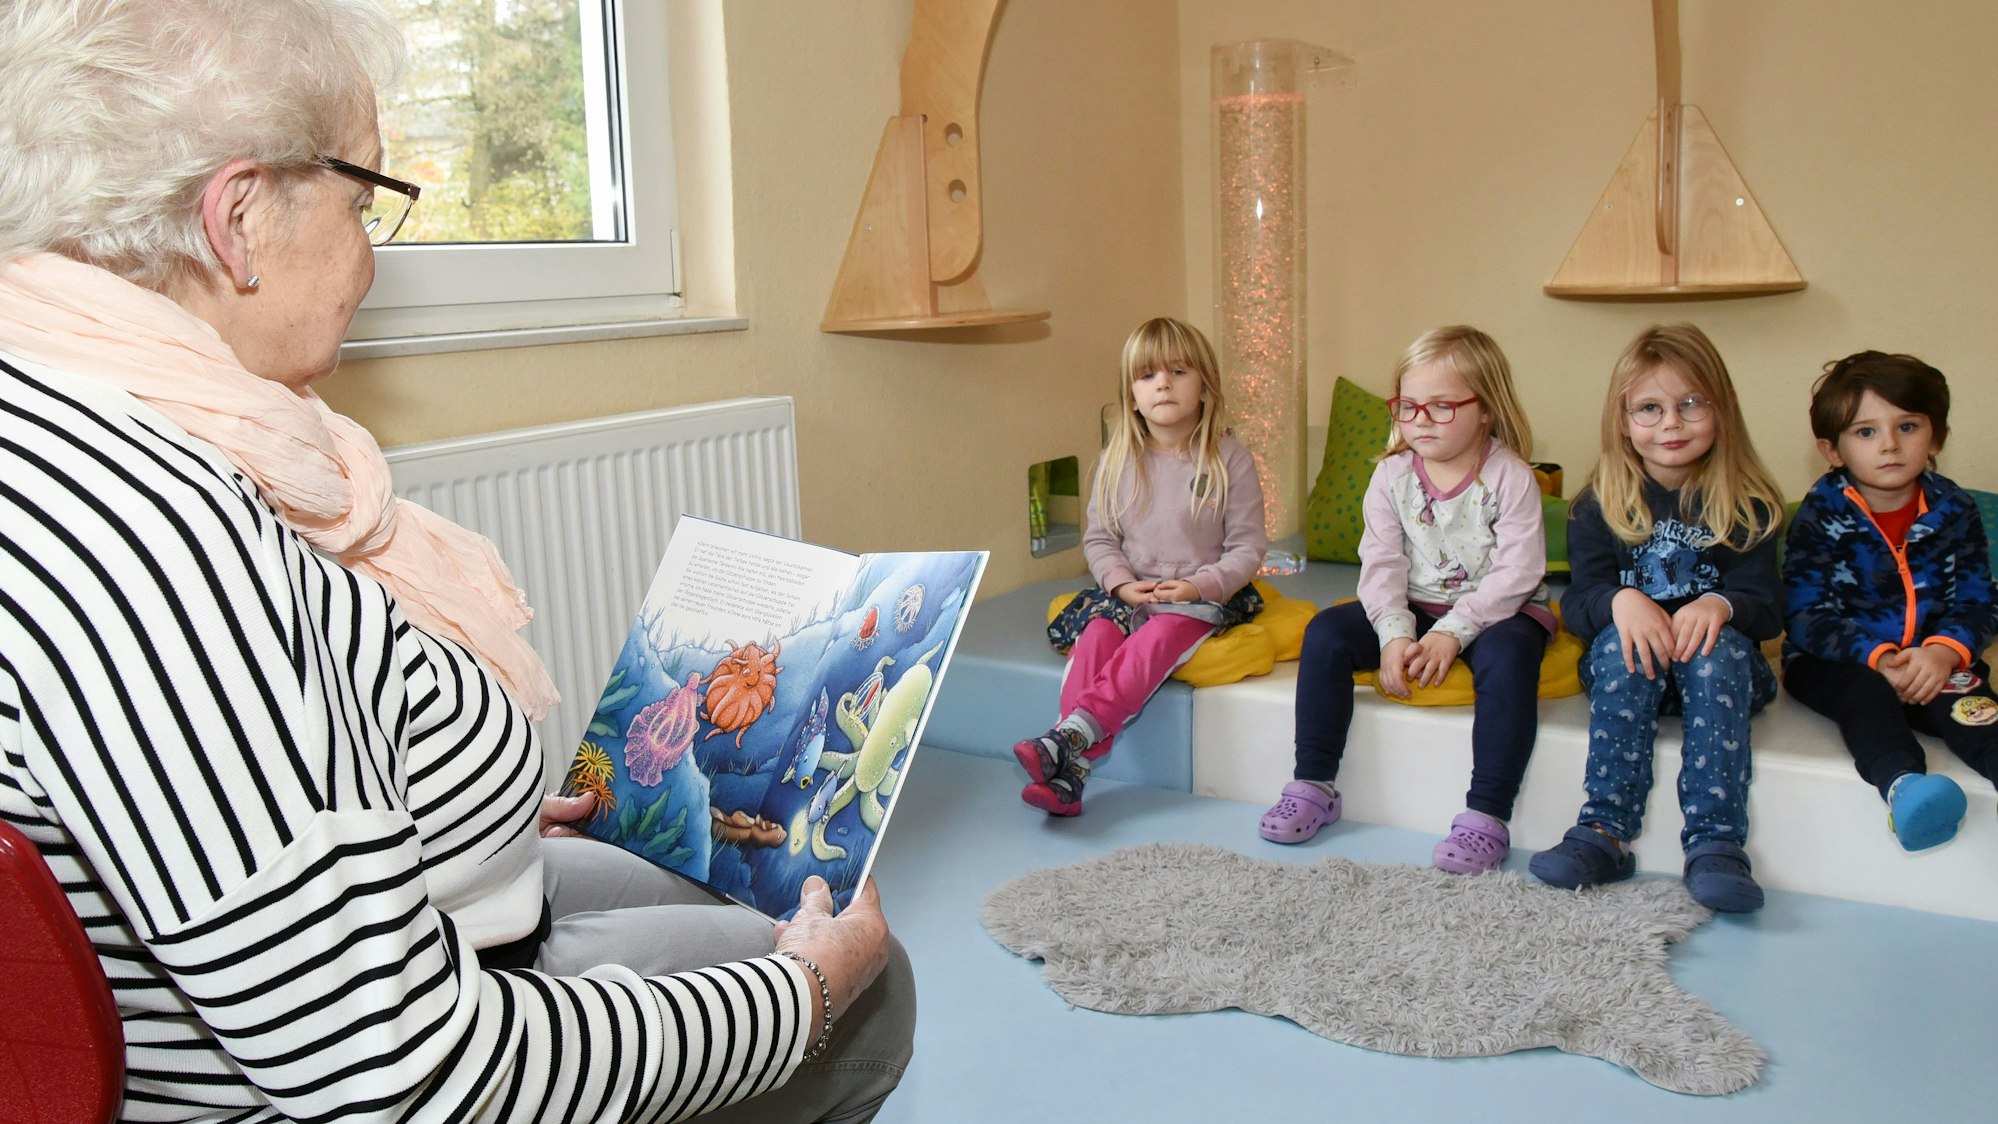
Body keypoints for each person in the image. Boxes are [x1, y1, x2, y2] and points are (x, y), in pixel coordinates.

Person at [0, 2, 909, 1120]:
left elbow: (258, 776)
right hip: (369, 1054)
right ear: (238, 218)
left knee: (702, 867)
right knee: (868, 989)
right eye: (362, 199)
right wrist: (799, 997)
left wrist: (449, 810)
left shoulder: (79, 408)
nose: (371, 255)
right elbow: (410, 1076)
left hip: (424, 907)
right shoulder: (150, 533)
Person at [1258, 327, 1552, 874]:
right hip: (1416, 603)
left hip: (1499, 610)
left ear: (1486, 409)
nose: (1420, 420)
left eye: (1442, 407)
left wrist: (1454, 631)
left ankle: (1487, 815)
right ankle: (1313, 782)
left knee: (1511, 658)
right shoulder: (1391, 475)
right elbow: (1382, 562)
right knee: (1325, 633)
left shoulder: (1509, 477)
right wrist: (1395, 633)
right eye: (1409, 406)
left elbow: (1519, 572)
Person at [1528, 324, 1785, 912]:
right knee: (1619, 646)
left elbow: (1770, 608)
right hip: (1633, 672)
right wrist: (1620, 600)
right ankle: (1603, 832)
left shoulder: (1750, 502)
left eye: (1691, 404)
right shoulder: (1599, 503)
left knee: (1716, 653)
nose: (1671, 423)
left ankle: (1715, 842)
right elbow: (1580, 600)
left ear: (1724, 409)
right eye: (1650, 408)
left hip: (1723, 676)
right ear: (1623, 421)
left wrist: (1720, 604)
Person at [1014, 317, 1267, 815]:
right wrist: (1122, 584)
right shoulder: (1116, 460)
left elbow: (1247, 547)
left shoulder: (1228, 460)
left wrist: (1197, 587)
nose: (1163, 384)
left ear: (1204, 387)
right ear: (1132, 396)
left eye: (1178, 371)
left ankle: (1069, 743)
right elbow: (1101, 539)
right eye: (1148, 375)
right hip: (1129, 594)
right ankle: (1071, 774)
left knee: (1154, 641)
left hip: (1197, 599)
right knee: (1096, 641)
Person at [1781, 351, 1998, 851]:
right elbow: (1804, 612)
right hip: (1836, 664)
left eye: (1907, 426)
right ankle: (1906, 789)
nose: (1890, 446)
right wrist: (1878, 657)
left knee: (1973, 706)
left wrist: (1943, 651)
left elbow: (1979, 599)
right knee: (1867, 698)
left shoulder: (1954, 508)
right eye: (1865, 432)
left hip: (1934, 660)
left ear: (1936, 437)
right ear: (1831, 450)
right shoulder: (1820, 513)